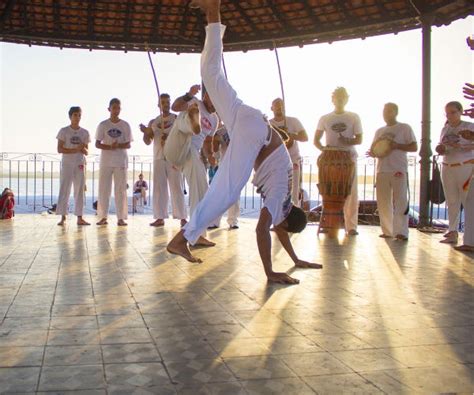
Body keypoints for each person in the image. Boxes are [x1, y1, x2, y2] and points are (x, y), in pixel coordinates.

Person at [168, 0, 322, 284]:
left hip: (249, 118)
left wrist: (296, 260)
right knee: (226, 193)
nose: (278, 227)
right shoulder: (279, 199)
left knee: (210, 76)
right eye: (282, 227)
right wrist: (270, 272)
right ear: (286, 220)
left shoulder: (286, 203)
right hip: (254, 134)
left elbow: (279, 229)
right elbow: (263, 230)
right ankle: (183, 238)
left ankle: (212, 11)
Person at [314, 87, 363, 236]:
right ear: (332, 99)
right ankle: (330, 224)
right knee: (329, 191)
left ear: (347, 99)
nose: (340, 99)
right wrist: (324, 150)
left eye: (342, 97)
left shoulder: (354, 117)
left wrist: (347, 140)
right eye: (337, 97)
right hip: (331, 159)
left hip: (348, 158)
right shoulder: (325, 118)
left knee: (351, 192)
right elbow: (316, 140)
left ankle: (351, 227)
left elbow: (359, 139)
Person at [368, 103, 417, 241]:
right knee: (383, 201)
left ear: (396, 112)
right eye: (384, 111)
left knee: (401, 200)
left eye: (389, 111)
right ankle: (387, 230)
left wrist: (396, 146)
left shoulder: (404, 128)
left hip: (398, 168)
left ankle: (401, 231)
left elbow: (414, 146)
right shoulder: (379, 131)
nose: (386, 113)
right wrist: (373, 153)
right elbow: (375, 149)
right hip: (382, 169)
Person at [140, 94, 187, 227]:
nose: (165, 104)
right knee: (159, 188)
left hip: (173, 157)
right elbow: (147, 142)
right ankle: (160, 217)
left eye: (167, 102)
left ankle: (182, 217)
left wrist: (169, 137)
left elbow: (182, 135)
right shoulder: (153, 122)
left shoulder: (176, 119)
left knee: (176, 186)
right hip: (159, 157)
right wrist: (146, 132)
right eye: (163, 102)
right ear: (158, 105)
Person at [435, 101, 474, 244]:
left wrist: (460, 145)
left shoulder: (469, 126)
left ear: (460, 111)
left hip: (464, 165)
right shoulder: (445, 129)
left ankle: (470, 237)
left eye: (453, 112)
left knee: (468, 200)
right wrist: (441, 148)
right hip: (447, 165)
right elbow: (443, 145)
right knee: (451, 200)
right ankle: (452, 231)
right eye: (447, 113)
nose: (450, 115)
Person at [95, 98, 133, 226]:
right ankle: (102, 217)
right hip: (106, 161)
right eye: (114, 107)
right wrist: (109, 147)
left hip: (120, 161)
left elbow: (128, 144)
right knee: (104, 190)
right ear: (109, 109)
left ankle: (121, 218)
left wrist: (118, 145)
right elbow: (97, 143)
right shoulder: (103, 125)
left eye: (118, 108)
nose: (116, 110)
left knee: (120, 190)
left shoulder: (125, 125)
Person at [270, 98, 308, 207]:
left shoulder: (293, 121)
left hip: (293, 159)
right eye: (276, 106)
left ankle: (294, 213)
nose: (279, 108)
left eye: (281, 105)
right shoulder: (269, 124)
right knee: (276, 189)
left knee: (294, 190)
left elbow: (305, 137)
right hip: (276, 161)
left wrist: (291, 135)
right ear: (272, 108)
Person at [56, 106, 90, 226]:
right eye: (75, 115)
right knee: (65, 188)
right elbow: (59, 149)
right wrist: (75, 149)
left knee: (79, 190)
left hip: (80, 163)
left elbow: (87, 151)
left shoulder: (85, 132)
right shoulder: (63, 131)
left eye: (79, 115)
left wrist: (82, 148)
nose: (77, 117)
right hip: (67, 163)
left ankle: (80, 217)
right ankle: (63, 217)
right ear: (70, 116)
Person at [205, 124, 240, 229]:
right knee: (219, 193)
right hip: (224, 165)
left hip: (237, 165)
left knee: (235, 194)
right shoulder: (221, 131)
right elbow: (215, 149)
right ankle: (215, 221)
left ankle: (233, 221)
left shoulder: (241, 129)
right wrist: (215, 140)